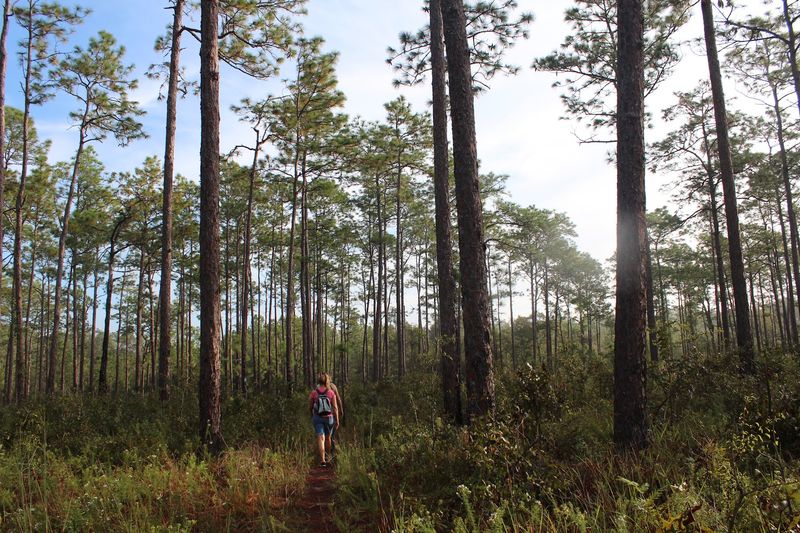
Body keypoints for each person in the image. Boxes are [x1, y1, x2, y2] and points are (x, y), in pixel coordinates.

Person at [309, 372, 339, 467]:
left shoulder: (314, 393)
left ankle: (322, 461)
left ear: (318, 381)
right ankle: (328, 457)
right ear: (327, 381)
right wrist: (337, 419)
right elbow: (335, 408)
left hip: (317, 418)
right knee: (328, 438)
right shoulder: (331, 392)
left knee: (320, 438)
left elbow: (310, 406)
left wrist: (312, 415)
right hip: (329, 418)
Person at [325, 373, 344, 461]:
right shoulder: (333, 386)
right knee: (332, 435)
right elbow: (338, 399)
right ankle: (332, 454)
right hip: (332, 414)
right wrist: (341, 410)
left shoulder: (319, 387)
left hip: (322, 414)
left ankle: (326, 454)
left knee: (325, 435)